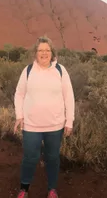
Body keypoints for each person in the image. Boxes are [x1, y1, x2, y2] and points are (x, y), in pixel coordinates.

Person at [13, 36, 75, 198]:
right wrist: (19, 115)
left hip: (55, 125)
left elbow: (69, 96)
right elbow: (19, 94)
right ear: (35, 53)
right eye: (40, 50)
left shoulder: (60, 70)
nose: (44, 53)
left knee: (53, 158)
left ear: (52, 52)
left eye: (47, 50)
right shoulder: (28, 71)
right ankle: (24, 189)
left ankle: (52, 189)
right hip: (31, 125)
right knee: (30, 157)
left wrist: (69, 120)